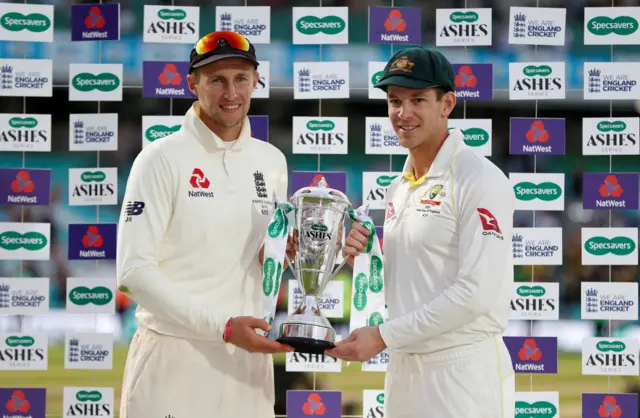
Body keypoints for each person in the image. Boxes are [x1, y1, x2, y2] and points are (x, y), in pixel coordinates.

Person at [327, 47, 515, 418]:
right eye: (395, 101)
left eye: (418, 100)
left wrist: (382, 336)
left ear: (447, 104)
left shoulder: (479, 178)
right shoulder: (401, 184)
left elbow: (476, 294)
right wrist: (365, 261)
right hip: (403, 369)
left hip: (462, 376)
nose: (403, 113)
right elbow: (415, 283)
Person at [116, 31, 295, 418]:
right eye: (217, 80)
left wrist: (280, 253)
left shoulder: (272, 162)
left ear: (256, 81)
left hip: (248, 367)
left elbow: (249, 256)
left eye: (241, 79)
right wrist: (224, 326)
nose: (231, 93)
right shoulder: (160, 159)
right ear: (192, 83)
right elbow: (134, 273)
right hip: (175, 359)